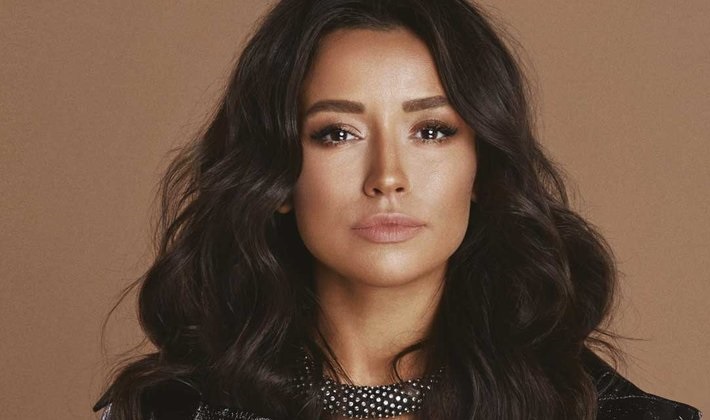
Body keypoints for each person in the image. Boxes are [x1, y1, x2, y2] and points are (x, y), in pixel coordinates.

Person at [93, 0, 701, 419]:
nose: (387, 177)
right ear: (275, 177)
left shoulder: (614, 413)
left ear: (483, 168)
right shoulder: (163, 411)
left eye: (432, 131)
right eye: (336, 134)